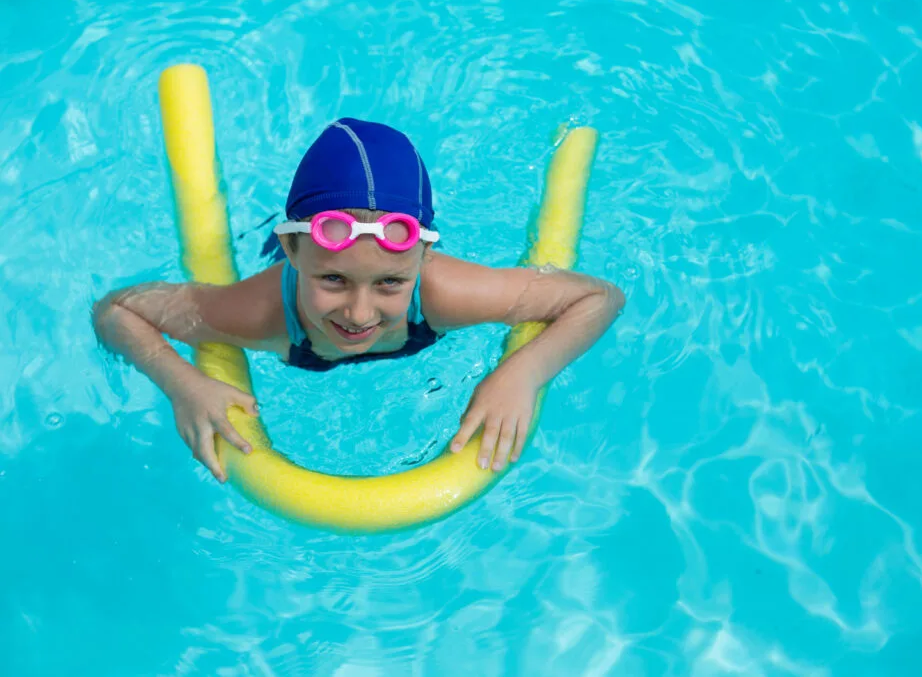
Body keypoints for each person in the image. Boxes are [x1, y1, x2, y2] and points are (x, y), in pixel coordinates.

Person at [93, 118, 624, 482]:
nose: (359, 313)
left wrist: (522, 374)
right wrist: (182, 383)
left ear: (422, 259)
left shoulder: (444, 292)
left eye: (390, 283)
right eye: (333, 280)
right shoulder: (259, 313)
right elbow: (116, 311)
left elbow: (600, 298)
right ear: (292, 251)